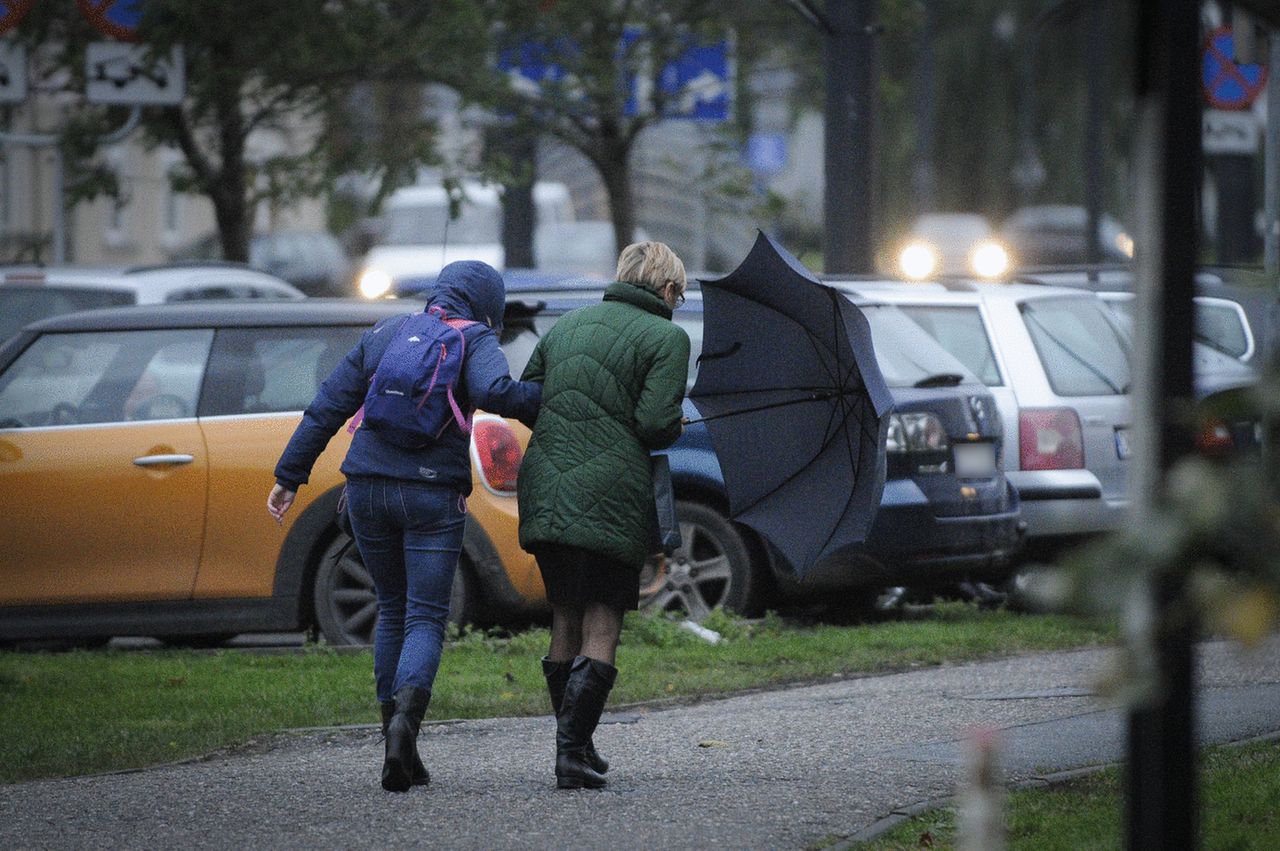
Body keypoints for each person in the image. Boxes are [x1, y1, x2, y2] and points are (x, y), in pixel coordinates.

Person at [267, 260, 541, 792]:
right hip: (431, 494)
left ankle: (395, 740)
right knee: (425, 617)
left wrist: (288, 475)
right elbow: (496, 392)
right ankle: (403, 733)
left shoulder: (387, 333)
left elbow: (326, 406)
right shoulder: (475, 337)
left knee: (392, 608)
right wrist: (551, 399)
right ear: (488, 302)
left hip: (366, 486)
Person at [517, 241, 691, 789]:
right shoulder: (667, 337)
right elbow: (653, 424)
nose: (679, 303)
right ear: (666, 289)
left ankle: (579, 745)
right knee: (603, 619)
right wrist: (676, 421)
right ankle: (571, 754)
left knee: (565, 613)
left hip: (545, 484)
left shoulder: (567, 327)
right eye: (679, 294)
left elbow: (530, 394)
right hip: (612, 493)